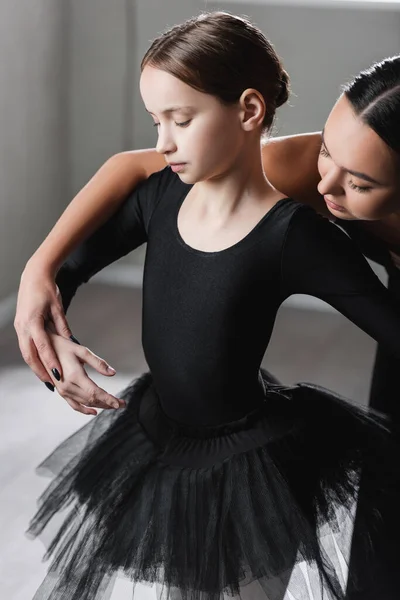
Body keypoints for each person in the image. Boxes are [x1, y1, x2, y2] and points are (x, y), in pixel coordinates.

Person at [20, 12, 400, 600]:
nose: (162, 142)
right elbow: (63, 278)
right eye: (156, 120)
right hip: (163, 439)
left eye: (180, 120)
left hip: (253, 465)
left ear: (249, 112)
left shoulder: (297, 236)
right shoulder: (159, 196)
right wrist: (53, 341)